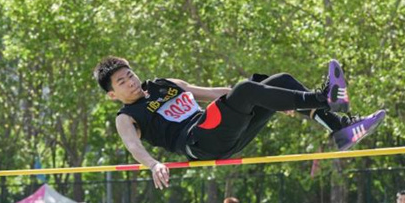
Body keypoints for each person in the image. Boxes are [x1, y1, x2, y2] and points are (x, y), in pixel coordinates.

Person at [94, 56, 386, 190]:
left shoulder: (163, 84)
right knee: (246, 89)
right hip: (200, 140)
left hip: (224, 131)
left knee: (281, 81)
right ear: (112, 94)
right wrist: (153, 164)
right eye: (122, 82)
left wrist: (272, 97)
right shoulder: (127, 117)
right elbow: (133, 146)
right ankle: (325, 98)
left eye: (130, 74)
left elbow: (216, 94)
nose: (130, 81)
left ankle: (341, 130)